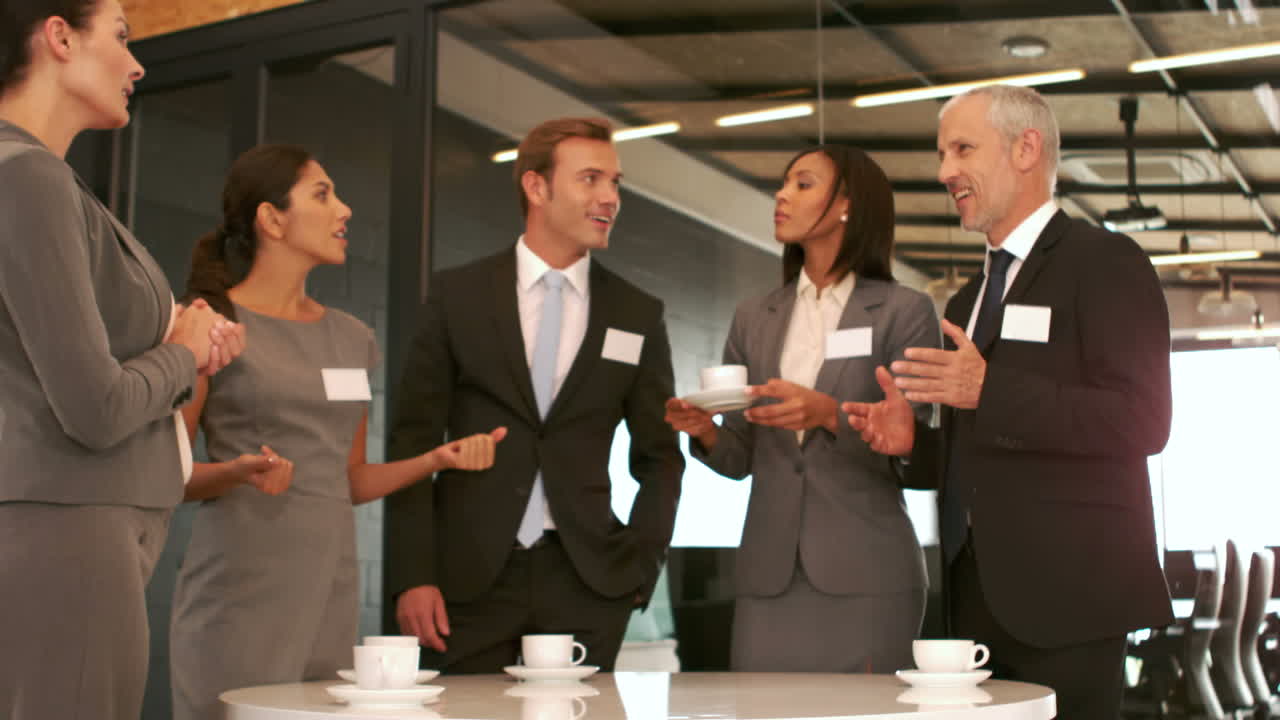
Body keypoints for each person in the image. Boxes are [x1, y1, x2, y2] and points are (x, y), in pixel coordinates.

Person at [845, 85, 1173, 718]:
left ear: (1028, 149)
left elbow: (1143, 420)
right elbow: (982, 449)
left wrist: (988, 387)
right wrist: (916, 445)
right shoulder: (967, 301)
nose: (945, 172)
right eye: (942, 154)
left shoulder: (1106, 262)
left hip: (1072, 601)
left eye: (963, 149)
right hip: (973, 604)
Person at [169, 144, 505, 720]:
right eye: (323, 194)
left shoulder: (353, 338)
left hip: (329, 591)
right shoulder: (208, 324)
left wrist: (435, 461)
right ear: (271, 219)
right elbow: (162, 474)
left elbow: (347, 480)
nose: (344, 209)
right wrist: (237, 471)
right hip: (238, 593)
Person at [0, 2, 245, 717]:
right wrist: (182, 353)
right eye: (122, 36)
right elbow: (94, 408)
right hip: (69, 533)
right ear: (59, 36)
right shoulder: (29, 179)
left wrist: (180, 332)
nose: (137, 64)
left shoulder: (36, 179)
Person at [386, 116, 684, 673]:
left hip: (590, 581)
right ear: (536, 186)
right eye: (591, 178)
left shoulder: (637, 314)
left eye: (615, 182)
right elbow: (412, 442)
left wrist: (640, 569)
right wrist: (412, 575)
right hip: (464, 584)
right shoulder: (458, 296)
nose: (609, 197)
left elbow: (660, 456)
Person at [663, 145, 939, 672]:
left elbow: (908, 444)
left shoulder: (905, 311)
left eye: (803, 184)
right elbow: (741, 457)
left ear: (847, 206)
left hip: (868, 576)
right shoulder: (753, 318)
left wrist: (828, 414)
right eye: (783, 183)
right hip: (767, 579)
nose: (782, 195)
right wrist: (706, 434)